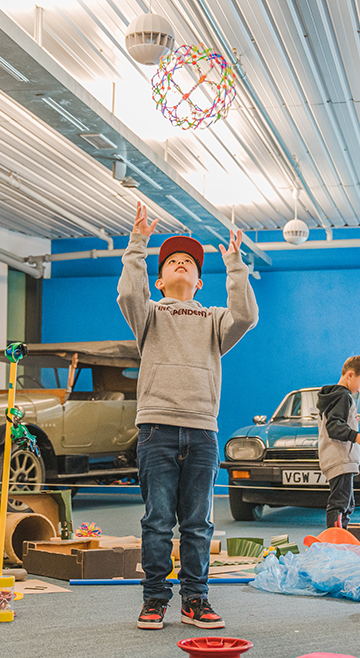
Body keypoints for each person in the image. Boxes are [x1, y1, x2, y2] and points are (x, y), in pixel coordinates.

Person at [118, 201, 259, 631]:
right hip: (157, 429)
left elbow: (247, 316)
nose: (181, 265)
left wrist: (235, 265)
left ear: (198, 282)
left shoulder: (215, 319)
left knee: (198, 524)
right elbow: (128, 293)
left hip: (202, 432)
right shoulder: (149, 315)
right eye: (173, 262)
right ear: (160, 280)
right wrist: (137, 244)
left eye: (189, 264)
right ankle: (155, 600)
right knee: (157, 521)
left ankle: (195, 599)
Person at [317, 356, 360, 530]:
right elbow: (334, 426)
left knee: (347, 504)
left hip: (338, 459)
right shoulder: (343, 396)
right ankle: (335, 542)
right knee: (340, 503)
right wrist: (355, 436)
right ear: (350, 375)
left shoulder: (334, 397)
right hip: (340, 459)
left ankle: (340, 538)